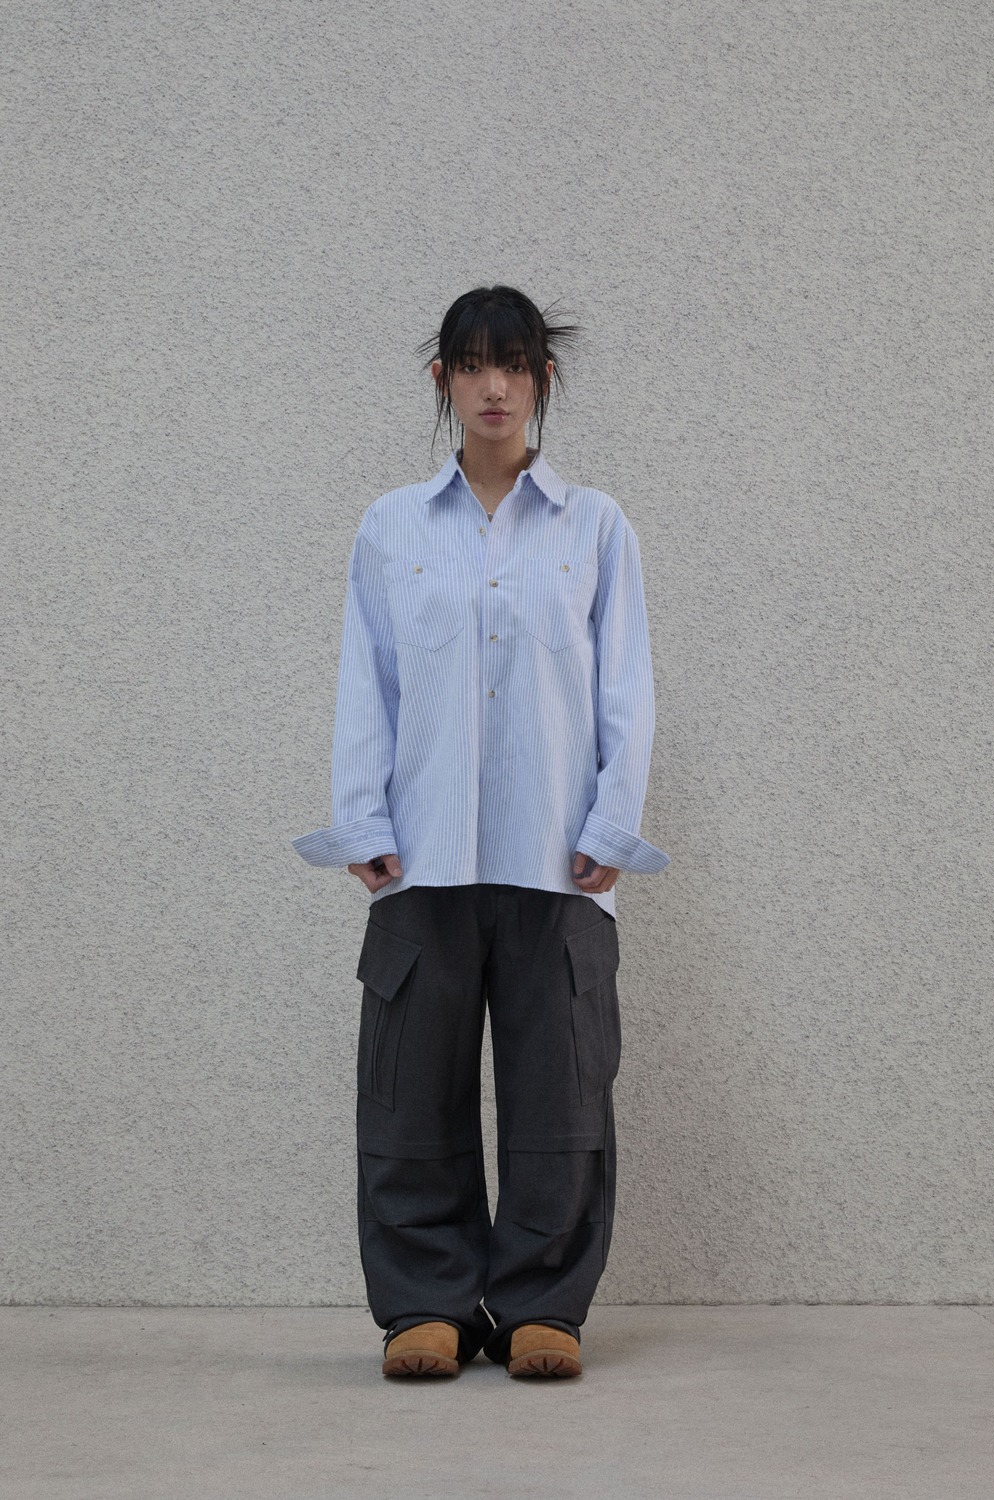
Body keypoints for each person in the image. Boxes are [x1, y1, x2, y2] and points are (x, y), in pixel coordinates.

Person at [292, 285, 668, 1379]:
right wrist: (362, 815)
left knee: (562, 1090)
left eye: (514, 364)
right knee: (410, 1087)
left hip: (560, 859)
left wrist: (613, 822)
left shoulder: (595, 527)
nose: (494, 385)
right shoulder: (392, 527)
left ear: (543, 379)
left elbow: (627, 688)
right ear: (443, 380)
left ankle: (544, 1304)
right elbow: (366, 681)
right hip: (423, 856)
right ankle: (427, 1303)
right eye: (472, 364)